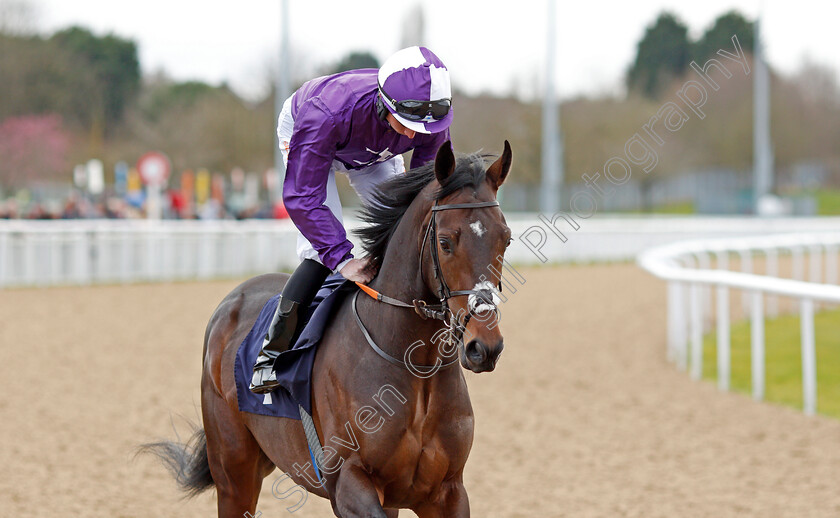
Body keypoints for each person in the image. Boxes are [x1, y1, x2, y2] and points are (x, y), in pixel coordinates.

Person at [250, 46, 454, 394]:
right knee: (319, 251)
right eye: (404, 124)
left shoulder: (431, 118)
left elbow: (425, 188)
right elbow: (303, 197)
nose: (410, 135)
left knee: (406, 225)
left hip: (372, 153)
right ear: (384, 102)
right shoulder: (324, 114)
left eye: (420, 129)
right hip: (311, 135)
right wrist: (342, 259)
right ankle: (270, 356)